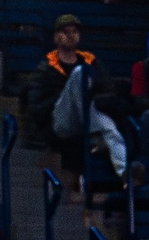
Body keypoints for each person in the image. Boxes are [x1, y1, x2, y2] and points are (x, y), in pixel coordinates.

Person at [25, 14, 131, 184]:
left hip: (90, 116)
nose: (70, 35)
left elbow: (109, 90)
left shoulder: (92, 61)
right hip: (61, 122)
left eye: (74, 31)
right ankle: (93, 135)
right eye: (65, 31)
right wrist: (67, 97)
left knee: (110, 129)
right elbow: (36, 106)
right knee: (80, 75)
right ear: (55, 37)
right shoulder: (45, 68)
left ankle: (126, 174)